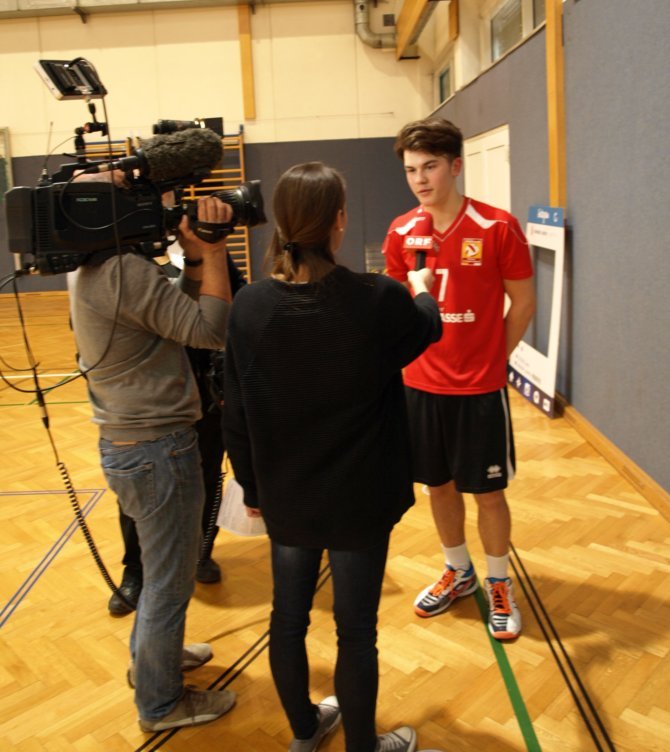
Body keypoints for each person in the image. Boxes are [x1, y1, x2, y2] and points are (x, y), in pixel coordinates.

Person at [222, 162, 442, 752]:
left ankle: (305, 731)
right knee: (356, 632)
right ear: (339, 221)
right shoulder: (378, 299)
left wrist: (253, 488)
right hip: (359, 499)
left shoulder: (250, 306)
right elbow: (427, 327)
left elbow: (234, 412)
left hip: (287, 495)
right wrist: (423, 287)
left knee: (287, 619)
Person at [68, 172, 238, 732]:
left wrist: (194, 261)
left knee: (161, 570)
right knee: (170, 579)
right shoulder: (127, 271)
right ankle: (161, 703)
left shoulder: (94, 265)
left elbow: (173, 318)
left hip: (130, 443)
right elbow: (211, 330)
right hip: (158, 448)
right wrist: (215, 251)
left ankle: (153, 661)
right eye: (132, 194)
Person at [383, 117, 535, 640]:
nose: (420, 179)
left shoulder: (497, 227)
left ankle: (499, 582)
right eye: (411, 170)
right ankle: (458, 569)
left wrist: (494, 358)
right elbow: (396, 305)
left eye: (429, 167)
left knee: (488, 493)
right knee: (438, 486)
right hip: (421, 386)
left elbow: (524, 302)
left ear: (455, 166)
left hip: (478, 389)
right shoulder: (401, 231)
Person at [108, 253, 247, 617]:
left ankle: (201, 552)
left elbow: (239, 307)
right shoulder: (127, 258)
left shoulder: (214, 255)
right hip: (151, 400)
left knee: (207, 478)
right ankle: (135, 570)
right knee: (139, 490)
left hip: (206, 395)